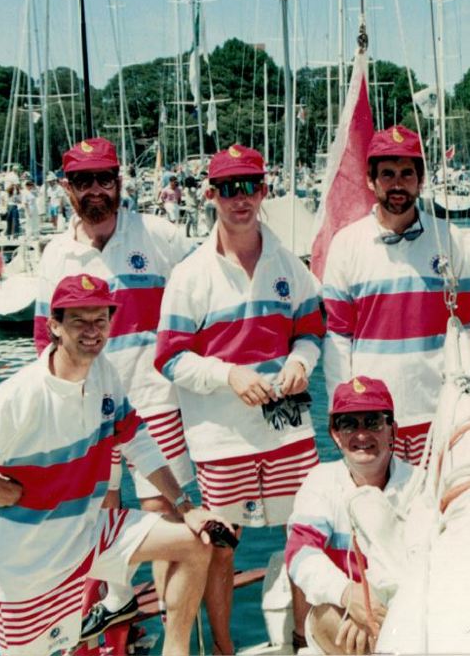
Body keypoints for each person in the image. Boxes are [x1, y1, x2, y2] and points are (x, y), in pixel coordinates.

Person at [0, 273, 229, 656]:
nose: (92, 331)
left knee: (194, 543)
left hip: (89, 532)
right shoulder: (24, 394)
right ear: (54, 326)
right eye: (79, 321)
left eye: (100, 320)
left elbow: (137, 440)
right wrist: (4, 491)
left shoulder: (104, 373)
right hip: (26, 567)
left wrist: (186, 506)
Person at [155, 143, 325, 654]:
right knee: (222, 547)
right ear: (211, 195)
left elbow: (312, 330)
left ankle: (302, 637)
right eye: (228, 188)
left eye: (249, 186)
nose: (240, 198)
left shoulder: (290, 267)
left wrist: (301, 362)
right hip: (220, 438)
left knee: (306, 534)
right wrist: (226, 376)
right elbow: (169, 358)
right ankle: (225, 649)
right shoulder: (189, 275)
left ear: (264, 191)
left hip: (289, 429)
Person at [33, 137, 196, 643]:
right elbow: (44, 338)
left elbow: (203, 293)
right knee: (100, 508)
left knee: (159, 513)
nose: (96, 190)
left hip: (156, 401)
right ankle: (118, 600)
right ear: (67, 188)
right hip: (89, 409)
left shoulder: (162, 236)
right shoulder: (55, 254)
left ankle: (172, 629)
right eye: (84, 181)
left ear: (119, 182)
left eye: (105, 178)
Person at [322, 125, 470, 465]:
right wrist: (343, 409)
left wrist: (467, 400)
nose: (397, 183)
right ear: (370, 180)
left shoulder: (449, 239)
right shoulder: (347, 245)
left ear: (420, 180)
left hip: (439, 410)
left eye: (407, 174)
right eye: (387, 174)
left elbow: (465, 328)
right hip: (373, 417)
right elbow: (338, 337)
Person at [285, 376, 413, 655]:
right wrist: (348, 594)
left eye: (373, 422)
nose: (362, 434)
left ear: (393, 430)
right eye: (349, 424)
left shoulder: (420, 486)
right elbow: (300, 554)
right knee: (324, 616)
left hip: (405, 611)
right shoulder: (321, 482)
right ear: (335, 433)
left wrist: (372, 602)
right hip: (344, 615)